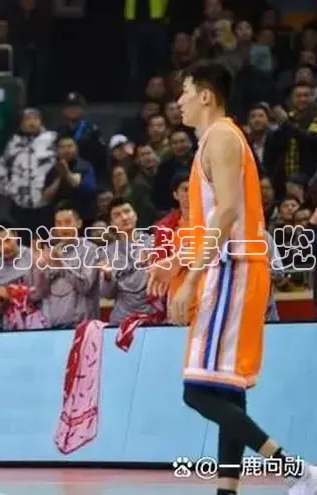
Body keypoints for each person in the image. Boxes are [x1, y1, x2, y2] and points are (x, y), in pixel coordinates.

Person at [154, 62, 317, 495]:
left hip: (232, 268)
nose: (179, 101)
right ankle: (227, 490)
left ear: (206, 95)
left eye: (185, 92)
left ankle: (297, 470)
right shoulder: (213, 139)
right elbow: (208, 221)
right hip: (230, 266)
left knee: (197, 391)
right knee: (227, 390)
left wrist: (192, 280)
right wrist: (177, 262)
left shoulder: (222, 136)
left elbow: (227, 212)